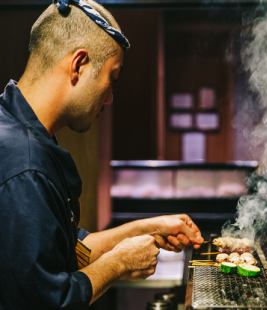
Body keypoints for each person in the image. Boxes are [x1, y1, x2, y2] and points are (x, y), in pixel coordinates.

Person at [0, 0, 204, 309]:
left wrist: (145, 228)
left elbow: (70, 250)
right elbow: (45, 301)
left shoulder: (22, 134)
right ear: (79, 64)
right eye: (112, 77)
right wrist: (118, 265)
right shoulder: (24, 166)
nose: (109, 99)